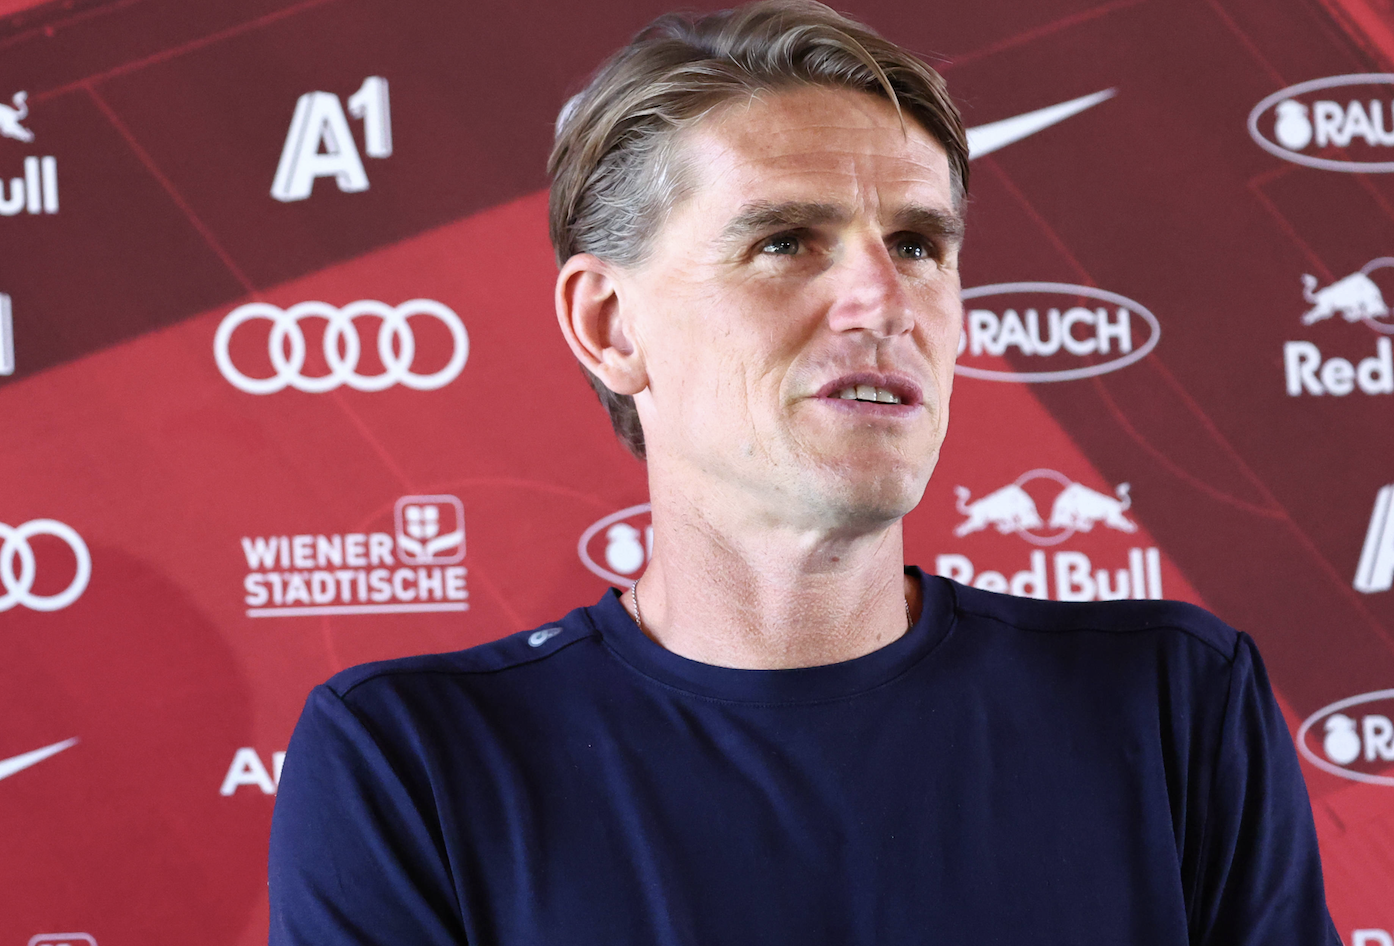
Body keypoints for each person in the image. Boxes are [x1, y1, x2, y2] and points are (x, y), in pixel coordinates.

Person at [268, 2, 1340, 943]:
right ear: (609, 325)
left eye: (917, 244)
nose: (884, 302)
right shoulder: (413, 765)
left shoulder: (1170, 705)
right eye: (785, 241)